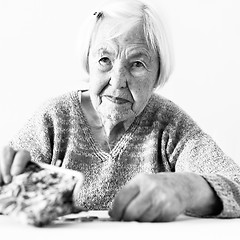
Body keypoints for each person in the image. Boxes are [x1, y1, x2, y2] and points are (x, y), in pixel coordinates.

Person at [1, 0, 240, 222]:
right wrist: (8, 183)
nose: (117, 81)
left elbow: (236, 184)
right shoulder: (54, 119)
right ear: (88, 62)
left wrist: (187, 188)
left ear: (158, 74)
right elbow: (7, 185)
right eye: (105, 59)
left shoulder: (169, 125)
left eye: (137, 64)